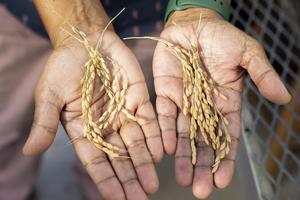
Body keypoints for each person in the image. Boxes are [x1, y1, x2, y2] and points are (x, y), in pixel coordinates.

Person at [0, 0, 291, 200]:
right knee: (5, 135)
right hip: (26, 15)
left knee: (121, 144)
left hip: (153, 21)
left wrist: (197, 7)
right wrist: (79, 25)